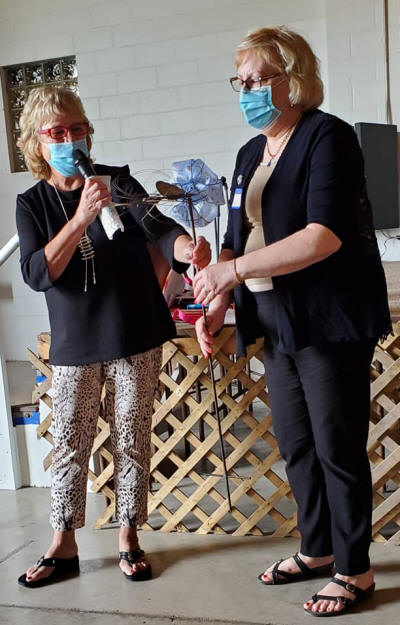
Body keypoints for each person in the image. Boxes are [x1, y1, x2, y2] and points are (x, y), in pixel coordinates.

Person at [194, 26, 391, 617]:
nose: (249, 91)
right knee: (297, 444)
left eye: (261, 79)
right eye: (242, 82)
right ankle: (317, 549)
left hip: (328, 316)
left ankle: (355, 569)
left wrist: (231, 272)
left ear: (295, 78)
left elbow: (322, 236)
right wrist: (219, 297)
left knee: (336, 446)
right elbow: (236, 237)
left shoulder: (327, 137)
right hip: (273, 317)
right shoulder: (248, 154)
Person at [16, 86, 211, 588]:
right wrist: (81, 217)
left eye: (77, 128)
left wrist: (186, 248)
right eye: (57, 132)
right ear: (37, 142)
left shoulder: (116, 182)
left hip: (134, 331)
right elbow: (37, 273)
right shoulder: (33, 203)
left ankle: (129, 535)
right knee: (69, 442)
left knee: (132, 437)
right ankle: (63, 544)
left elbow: (156, 225)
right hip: (76, 342)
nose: (70, 139)